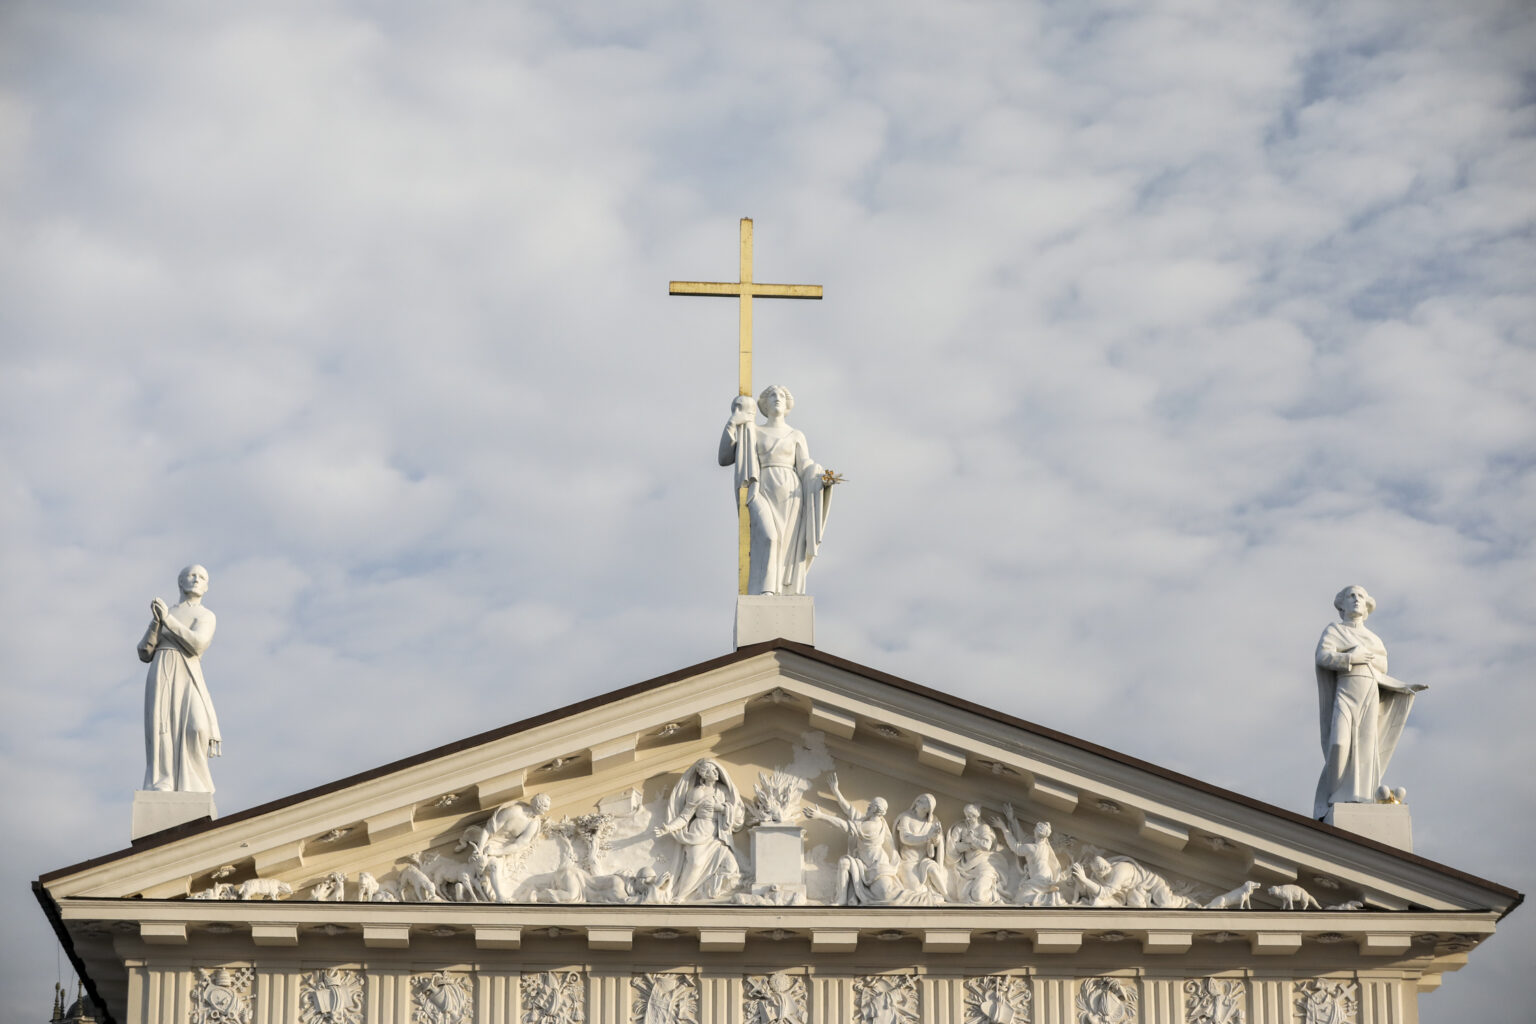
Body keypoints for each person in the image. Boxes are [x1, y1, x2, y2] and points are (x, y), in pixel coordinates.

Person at [1312, 585, 1427, 819]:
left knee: (1365, 746)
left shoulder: (1374, 639)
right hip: (1345, 690)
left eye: (1361, 596)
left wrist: (1402, 687)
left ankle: (1360, 795)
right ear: (1342, 604)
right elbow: (1323, 657)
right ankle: (1333, 796)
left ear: (1366, 606)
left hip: (1369, 691)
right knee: (1339, 744)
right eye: (1351, 596)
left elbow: (1381, 667)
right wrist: (1351, 657)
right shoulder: (1335, 630)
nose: (1356, 599)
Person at [717, 385, 835, 595]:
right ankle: (765, 590)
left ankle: (779, 589)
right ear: (764, 403)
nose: (777, 398)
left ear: (788, 403)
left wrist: (820, 477)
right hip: (761, 488)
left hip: (791, 494)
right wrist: (733, 422)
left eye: (782, 395)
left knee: (786, 545)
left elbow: (805, 465)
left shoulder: (796, 435)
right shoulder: (753, 430)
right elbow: (725, 458)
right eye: (772, 395)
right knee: (769, 537)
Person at [139, 564, 221, 792]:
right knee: (163, 724)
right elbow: (144, 652)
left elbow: (197, 643)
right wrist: (156, 622)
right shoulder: (168, 612)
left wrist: (167, 620)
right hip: (163, 667)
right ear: (180, 582)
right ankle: (162, 778)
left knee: (197, 728)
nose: (196, 580)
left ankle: (194, 783)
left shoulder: (206, 615)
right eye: (191, 575)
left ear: (206, 587)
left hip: (189, 672)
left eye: (202, 577)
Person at [804, 774, 912, 905]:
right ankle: (841, 899)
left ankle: (919, 898)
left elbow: (844, 826)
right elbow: (849, 810)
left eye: (870, 806)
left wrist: (821, 816)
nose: (868, 807)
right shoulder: (869, 820)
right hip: (865, 863)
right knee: (844, 862)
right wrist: (835, 790)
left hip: (875, 867)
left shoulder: (870, 826)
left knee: (889, 896)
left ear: (875, 809)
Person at [653, 758, 744, 901]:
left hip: (718, 836)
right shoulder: (697, 792)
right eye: (711, 770)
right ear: (703, 774)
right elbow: (685, 816)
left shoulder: (723, 790)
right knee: (695, 863)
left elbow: (735, 811)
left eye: (716, 770)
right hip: (699, 832)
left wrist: (721, 808)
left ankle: (707, 891)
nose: (715, 772)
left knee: (731, 867)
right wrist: (669, 827)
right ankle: (681, 895)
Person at [993, 804, 1066, 906]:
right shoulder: (1043, 846)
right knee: (1022, 898)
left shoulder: (1033, 848)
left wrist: (1003, 827)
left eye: (1035, 829)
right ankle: (1048, 896)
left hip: (1039, 880)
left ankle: (1050, 898)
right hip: (1044, 876)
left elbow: (1015, 847)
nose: (1033, 830)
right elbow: (1023, 837)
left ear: (1037, 833)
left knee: (1019, 899)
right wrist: (1011, 819)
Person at [892, 794, 949, 901]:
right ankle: (931, 895)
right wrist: (927, 837)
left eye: (922, 802)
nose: (918, 802)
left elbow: (937, 842)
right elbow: (905, 838)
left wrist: (935, 836)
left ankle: (946, 896)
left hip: (924, 860)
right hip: (908, 861)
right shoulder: (906, 817)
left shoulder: (933, 821)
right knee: (915, 892)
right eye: (919, 800)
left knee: (933, 869)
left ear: (928, 809)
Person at [947, 804, 1005, 904]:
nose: (967, 818)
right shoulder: (961, 828)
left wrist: (972, 839)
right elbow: (954, 846)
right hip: (966, 869)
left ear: (977, 816)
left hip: (984, 865)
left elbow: (986, 845)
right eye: (966, 815)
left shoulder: (983, 828)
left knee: (978, 896)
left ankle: (995, 896)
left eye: (970, 816)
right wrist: (969, 845)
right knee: (961, 897)